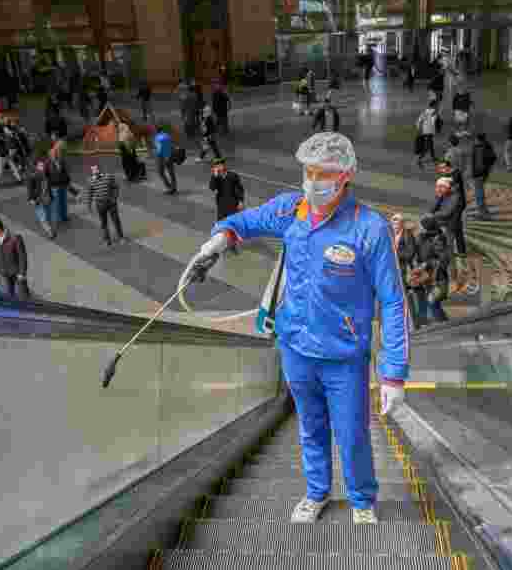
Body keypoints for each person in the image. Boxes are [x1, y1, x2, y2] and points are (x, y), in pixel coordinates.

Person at [185, 131, 409, 525]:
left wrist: (393, 373)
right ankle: (316, 493)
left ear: (346, 176)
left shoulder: (369, 228)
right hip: (296, 348)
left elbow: (392, 301)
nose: (313, 181)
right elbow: (246, 221)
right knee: (310, 427)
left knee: (352, 433)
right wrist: (219, 240)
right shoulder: (292, 210)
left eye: (324, 174)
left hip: (344, 357)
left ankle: (361, 500)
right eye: (309, 172)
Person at [409, 215, 451, 328]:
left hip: (438, 278)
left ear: (427, 227)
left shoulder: (438, 239)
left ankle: (445, 327)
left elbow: (444, 260)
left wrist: (426, 264)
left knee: (433, 302)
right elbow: (412, 252)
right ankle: (445, 326)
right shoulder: (420, 238)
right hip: (424, 278)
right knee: (431, 304)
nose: (419, 227)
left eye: (421, 225)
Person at [390, 213, 420, 328]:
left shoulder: (407, 235)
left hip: (404, 271)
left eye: (397, 223)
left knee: (406, 296)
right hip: (394, 271)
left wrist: (396, 254)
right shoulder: (391, 235)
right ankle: (401, 323)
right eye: (393, 223)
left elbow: (410, 253)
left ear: (402, 224)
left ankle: (413, 324)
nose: (395, 226)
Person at [0, 218, 30, 300]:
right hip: (4, 273)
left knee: (22, 295)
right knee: (9, 296)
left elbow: (22, 256)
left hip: (16, 273)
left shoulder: (15, 237)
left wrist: (22, 273)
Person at [86, 163, 125, 246]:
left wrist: (114, 198)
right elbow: (90, 193)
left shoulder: (108, 177)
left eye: (96, 169)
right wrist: (89, 205)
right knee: (103, 223)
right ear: (91, 171)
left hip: (111, 203)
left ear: (100, 169)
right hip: (100, 205)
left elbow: (116, 187)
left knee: (116, 221)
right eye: (93, 169)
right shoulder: (90, 181)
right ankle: (107, 240)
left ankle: (121, 237)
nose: (95, 171)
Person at [208, 157, 244, 222]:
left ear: (224, 165)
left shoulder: (233, 175)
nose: (219, 167)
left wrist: (240, 201)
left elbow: (239, 189)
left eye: (221, 164)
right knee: (221, 224)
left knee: (233, 222)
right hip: (221, 206)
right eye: (216, 165)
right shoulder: (216, 177)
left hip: (233, 204)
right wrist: (215, 176)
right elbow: (212, 188)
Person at [27, 160, 57, 239]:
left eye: (43, 166)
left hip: (47, 198)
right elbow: (30, 189)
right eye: (40, 166)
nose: (42, 168)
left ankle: (50, 229)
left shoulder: (47, 175)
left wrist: (51, 196)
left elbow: (49, 187)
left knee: (48, 215)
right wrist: (31, 199)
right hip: (38, 199)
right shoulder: (33, 176)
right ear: (36, 167)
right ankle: (49, 231)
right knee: (42, 216)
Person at [471, 132, 496, 219]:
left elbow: (477, 163)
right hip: (483, 173)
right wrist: (488, 168)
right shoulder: (487, 146)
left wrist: (481, 170)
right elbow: (493, 158)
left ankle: (482, 213)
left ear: (478, 139)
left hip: (479, 173)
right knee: (480, 192)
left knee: (479, 194)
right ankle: (483, 211)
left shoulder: (479, 147)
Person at [46, 143, 73, 224]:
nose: (54, 155)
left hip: (62, 185)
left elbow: (65, 172)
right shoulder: (47, 163)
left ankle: (64, 216)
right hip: (54, 186)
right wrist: (48, 186)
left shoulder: (61, 161)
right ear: (50, 155)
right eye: (52, 154)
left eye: (55, 153)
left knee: (63, 202)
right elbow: (46, 176)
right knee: (56, 203)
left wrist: (68, 181)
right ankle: (56, 218)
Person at [414, 100, 440, 167]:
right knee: (428, 146)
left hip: (424, 131)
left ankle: (433, 157)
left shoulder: (424, 111)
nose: (437, 106)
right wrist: (436, 129)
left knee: (430, 145)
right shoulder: (434, 112)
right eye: (436, 105)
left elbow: (418, 121)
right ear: (434, 105)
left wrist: (419, 129)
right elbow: (433, 122)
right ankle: (419, 159)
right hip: (429, 131)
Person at [154, 126, 177, 195]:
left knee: (161, 172)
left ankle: (169, 187)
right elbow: (172, 146)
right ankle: (173, 187)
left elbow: (159, 149)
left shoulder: (158, 137)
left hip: (162, 157)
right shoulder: (167, 136)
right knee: (171, 172)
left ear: (157, 131)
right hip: (169, 155)